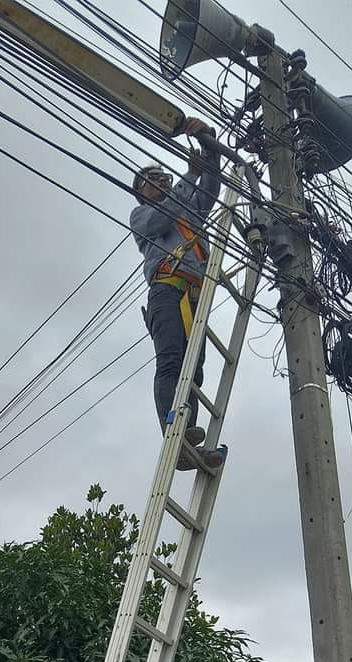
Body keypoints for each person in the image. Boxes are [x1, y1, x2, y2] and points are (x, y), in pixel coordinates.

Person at [130, 119, 224, 469]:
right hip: (166, 291)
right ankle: (173, 431)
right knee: (171, 360)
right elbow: (163, 218)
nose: (162, 182)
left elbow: (211, 191)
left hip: (194, 296)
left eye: (163, 177)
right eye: (152, 181)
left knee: (193, 369)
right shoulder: (142, 215)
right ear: (141, 192)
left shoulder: (187, 207)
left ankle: (188, 438)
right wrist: (187, 177)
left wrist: (209, 145)